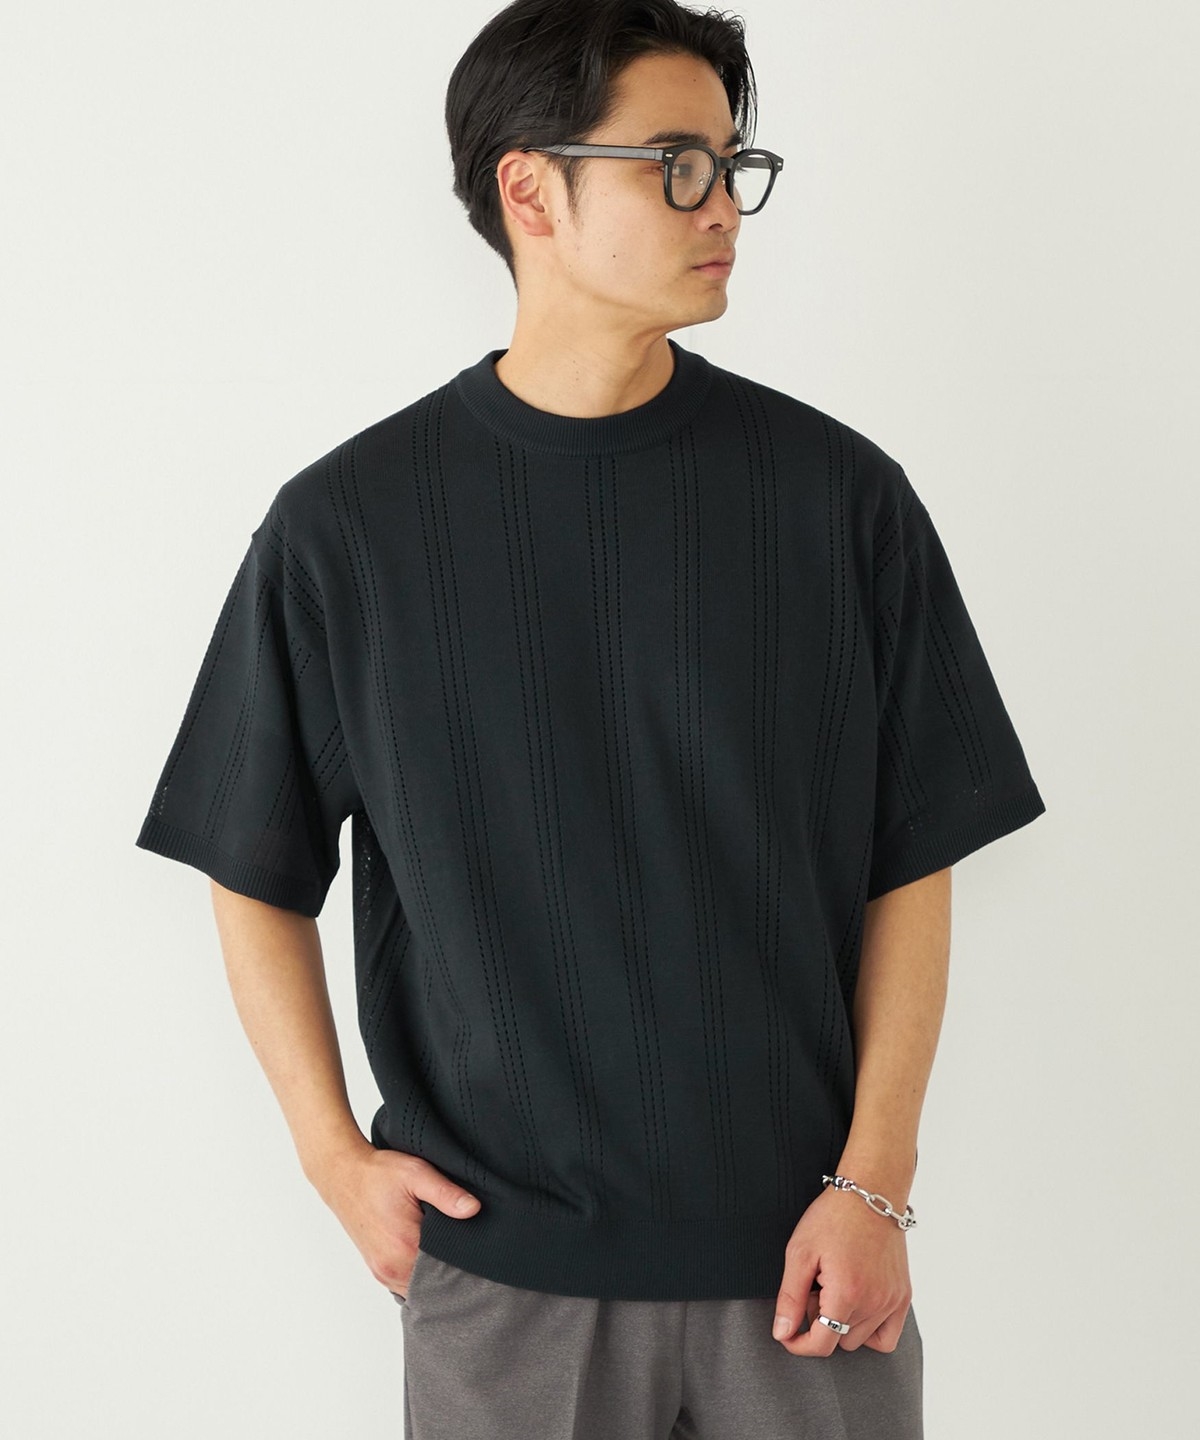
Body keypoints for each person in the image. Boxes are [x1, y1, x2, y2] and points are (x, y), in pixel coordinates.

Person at [134, 2, 1046, 1436]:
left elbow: (909, 861)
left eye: (733, 167)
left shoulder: (839, 502)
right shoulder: (347, 531)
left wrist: (876, 1183)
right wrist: (329, 1155)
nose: (722, 206)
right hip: (505, 1282)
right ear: (530, 188)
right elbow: (251, 864)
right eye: (676, 165)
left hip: (808, 1268)